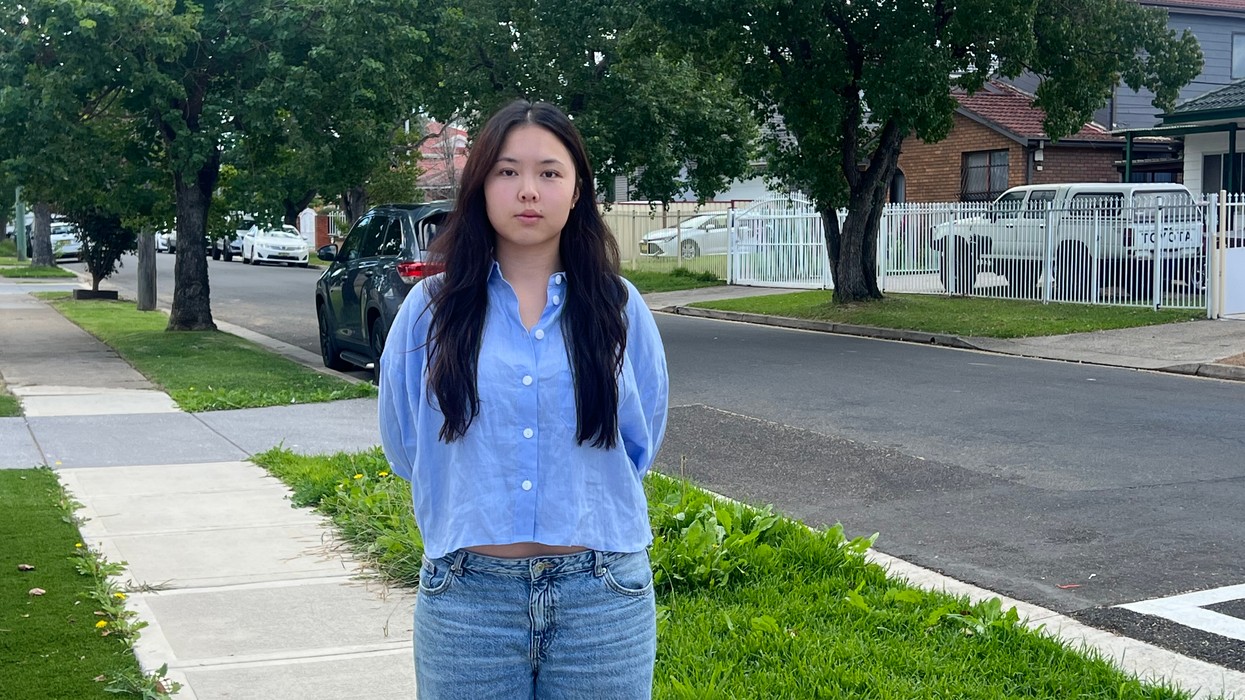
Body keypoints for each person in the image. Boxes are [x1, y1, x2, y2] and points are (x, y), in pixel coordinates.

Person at [378, 99, 669, 699]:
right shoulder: (429, 312)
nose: (528, 191)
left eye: (549, 172)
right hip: (466, 600)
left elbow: (640, 441)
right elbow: (407, 446)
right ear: (481, 185)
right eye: (508, 172)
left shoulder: (618, 307)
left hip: (605, 598)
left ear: (578, 190)